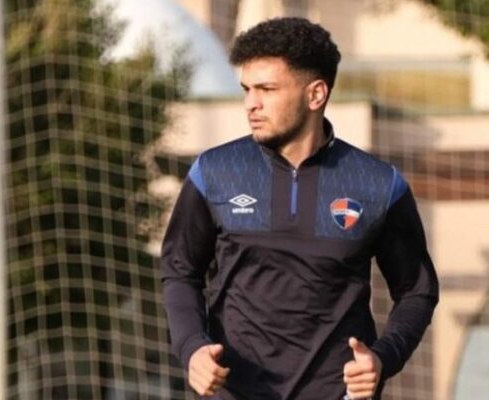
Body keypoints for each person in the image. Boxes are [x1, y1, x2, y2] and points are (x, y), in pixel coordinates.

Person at [161, 17, 439, 400]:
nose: (251, 103)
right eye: (246, 89)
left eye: (267, 89)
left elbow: (417, 291)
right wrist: (192, 348)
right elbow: (180, 271)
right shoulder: (214, 173)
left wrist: (382, 358)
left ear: (316, 94)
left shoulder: (378, 184)